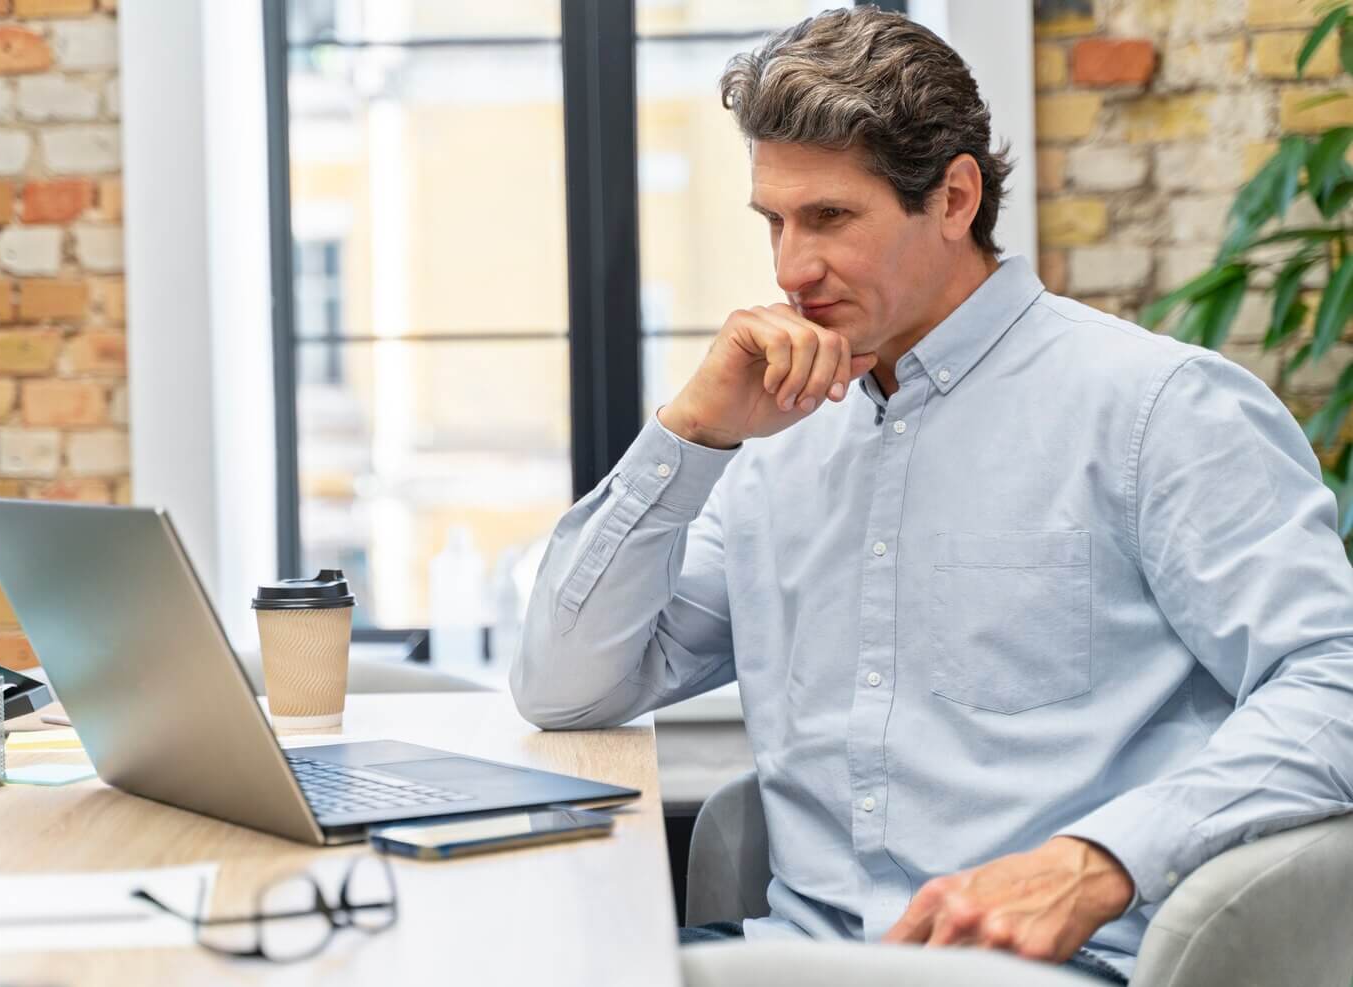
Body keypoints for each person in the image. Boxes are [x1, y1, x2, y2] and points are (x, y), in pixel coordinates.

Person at [510, 7, 1353, 983]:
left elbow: (1334, 682)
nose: (790, 269)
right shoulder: (777, 438)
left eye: (829, 218)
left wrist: (1098, 861)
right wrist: (690, 435)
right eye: (773, 222)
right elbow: (567, 686)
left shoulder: (1156, 410)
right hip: (793, 957)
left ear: (954, 197)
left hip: (1047, 967)